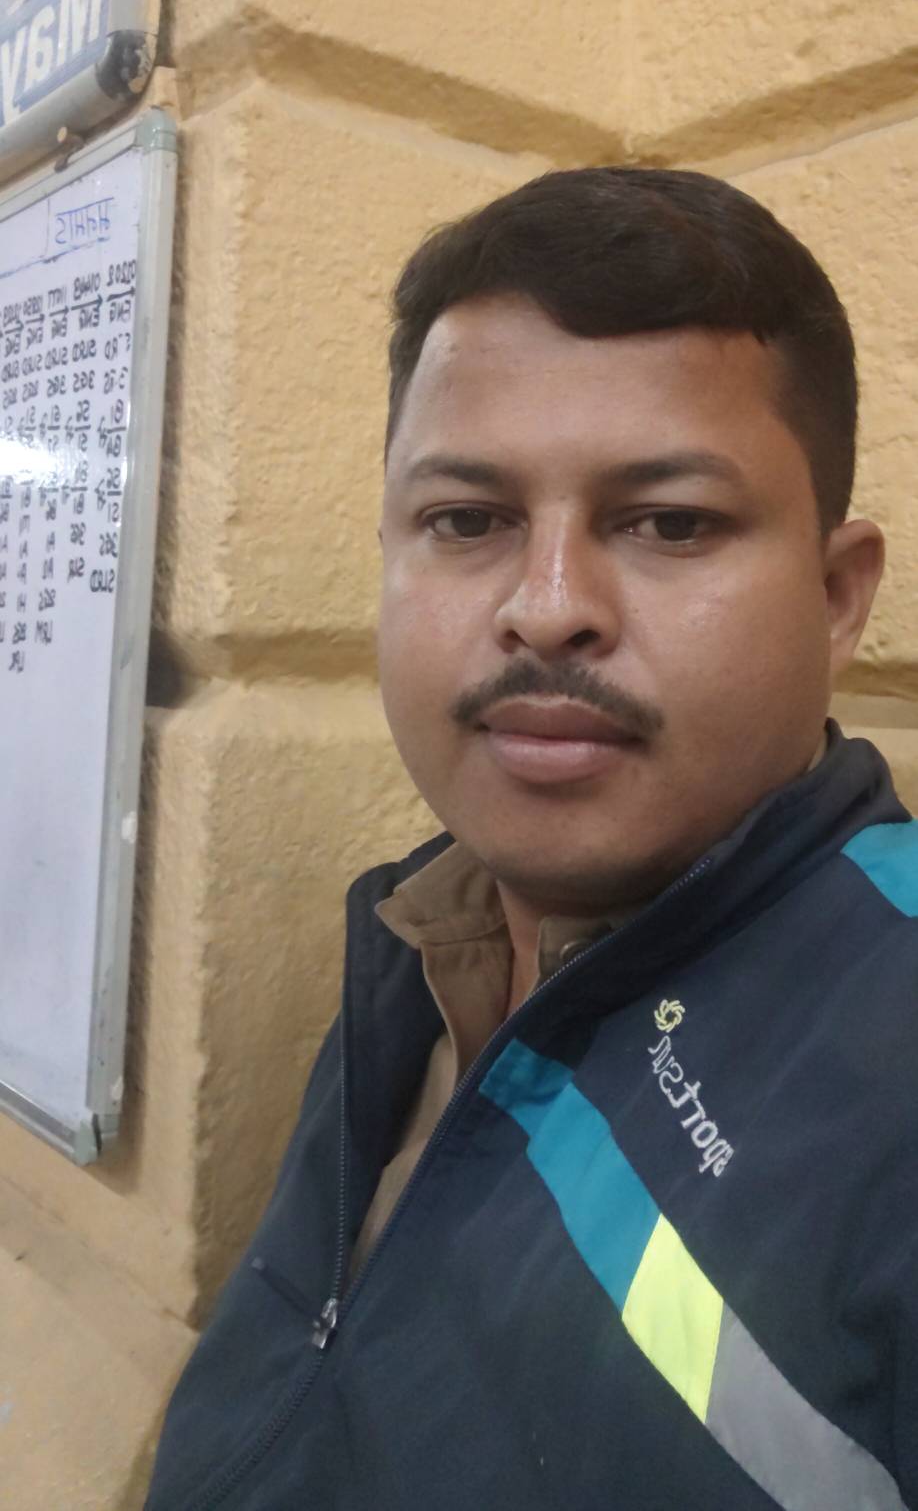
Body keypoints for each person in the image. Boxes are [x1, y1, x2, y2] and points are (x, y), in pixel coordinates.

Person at [146, 165, 918, 1511]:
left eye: (670, 522)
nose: (548, 606)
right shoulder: (419, 939)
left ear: (837, 594)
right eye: (466, 520)